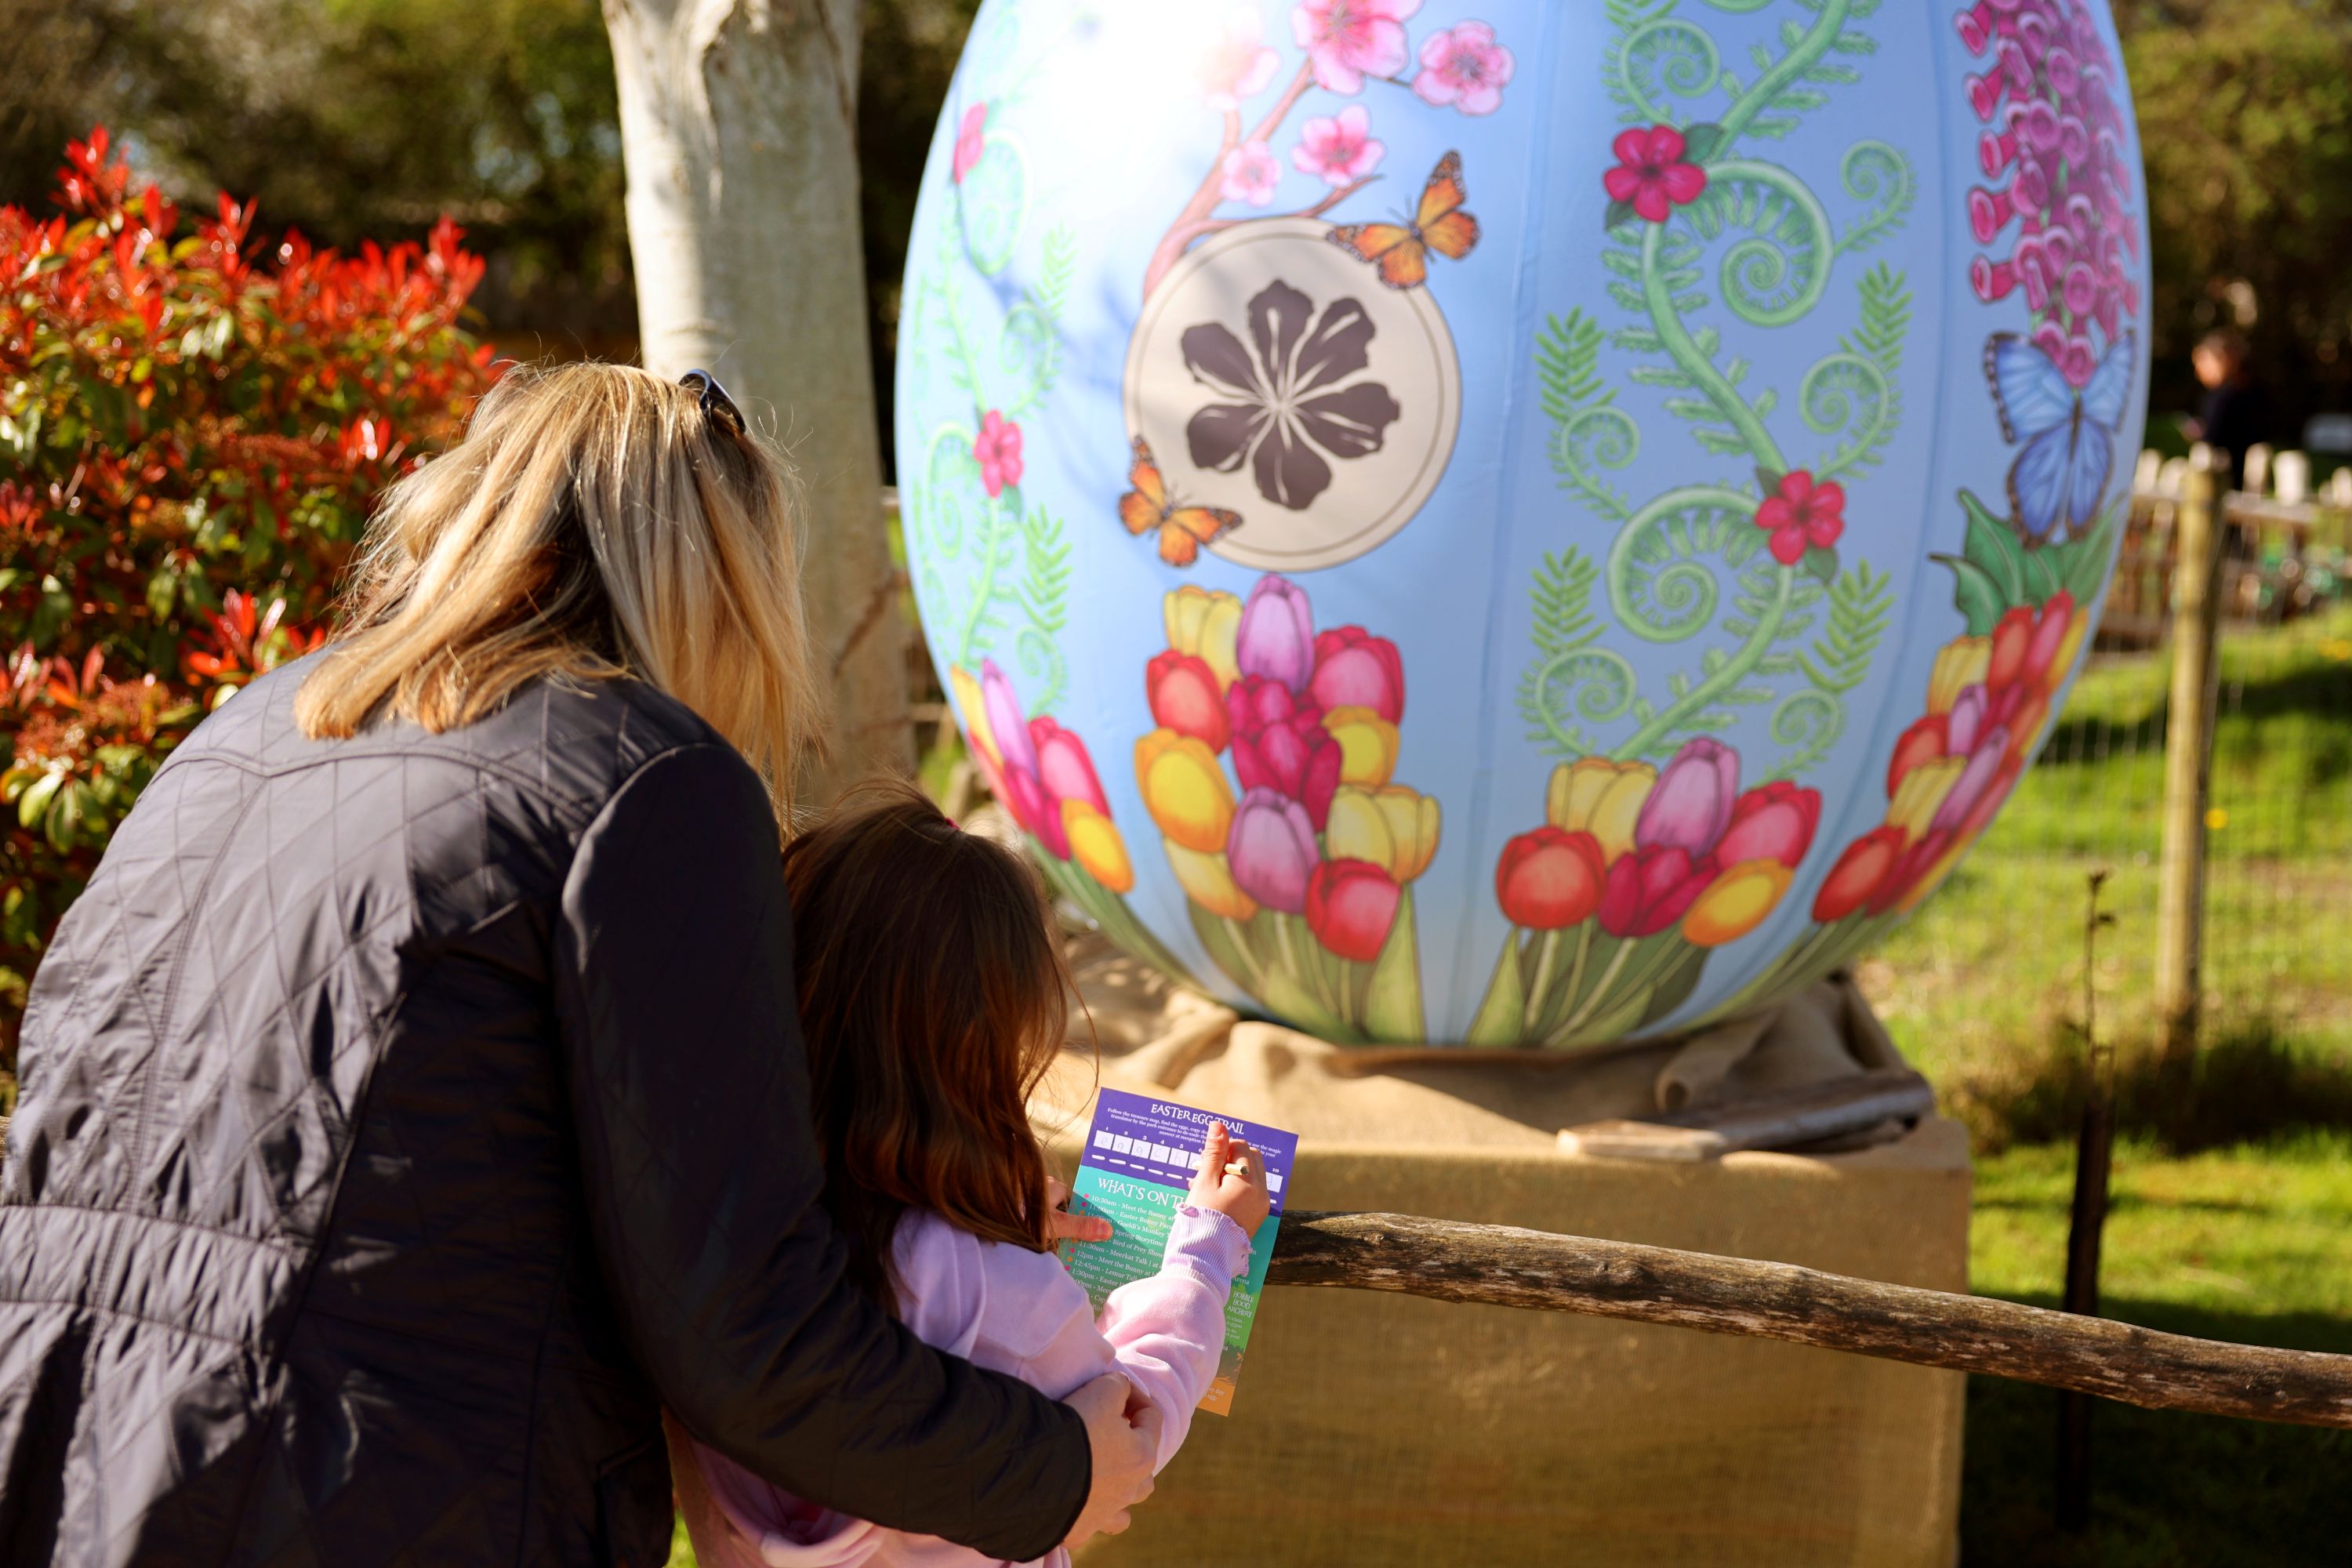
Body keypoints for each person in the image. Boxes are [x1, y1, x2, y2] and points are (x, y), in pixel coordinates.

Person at [0, 363, 1160, 1566]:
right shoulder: (649, 781)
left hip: (58, 1460)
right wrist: (1054, 1469)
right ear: (712, 585)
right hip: (359, 1498)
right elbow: (751, 1336)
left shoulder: (241, 735)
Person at [666, 786, 1272, 1568]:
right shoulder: (1017, 1299)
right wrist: (1207, 1252)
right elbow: (1129, 1429)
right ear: (981, 1054)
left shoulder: (733, 1238)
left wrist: (982, 1208)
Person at [2185, 328, 2278, 491]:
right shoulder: (2255, 391)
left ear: (2224, 359)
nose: (2198, 370)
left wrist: (2200, 433)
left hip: (2226, 476)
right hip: (2246, 478)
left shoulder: (2223, 397)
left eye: (2203, 362)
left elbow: (2213, 436)